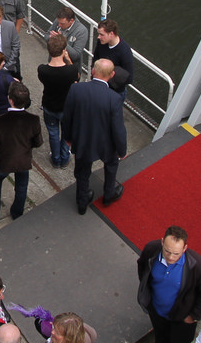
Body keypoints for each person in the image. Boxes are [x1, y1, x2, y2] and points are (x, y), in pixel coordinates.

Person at [61, 59, 128, 213]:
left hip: (83, 140)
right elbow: (118, 128)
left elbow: (67, 117)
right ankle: (109, 194)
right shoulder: (114, 98)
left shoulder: (76, 89)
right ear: (112, 75)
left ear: (93, 71)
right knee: (111, 164)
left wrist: (68, 137)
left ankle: (82, 201)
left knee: (82, 172)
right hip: (106, 143)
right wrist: (121, 150)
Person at [0, 81, 42, 223]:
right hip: (23, 160)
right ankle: (17, 212)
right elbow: (38, 142)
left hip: (4, 160)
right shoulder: (34, 120)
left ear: (10, 100)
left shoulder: (0, 121)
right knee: (22, 186)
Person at [35, 33, 79, 166]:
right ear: (64, 50)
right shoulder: (71, 70)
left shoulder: (42, 69)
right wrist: (68, 60)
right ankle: (65, 158)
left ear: (49, 50)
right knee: (66, 133)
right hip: (67, 107)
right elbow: (77, 78)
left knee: (53, 133)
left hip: (49, 106)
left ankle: (55, 158)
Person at [92, 19, 134, 93]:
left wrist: (106, 76)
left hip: (114, 92)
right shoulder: (101, 42)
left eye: (102, 34)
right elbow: (95, 59)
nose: (98, 37)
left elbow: (129, 78)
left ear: (111, 34)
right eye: (99, 34)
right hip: (98, 85)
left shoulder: (125, 51)